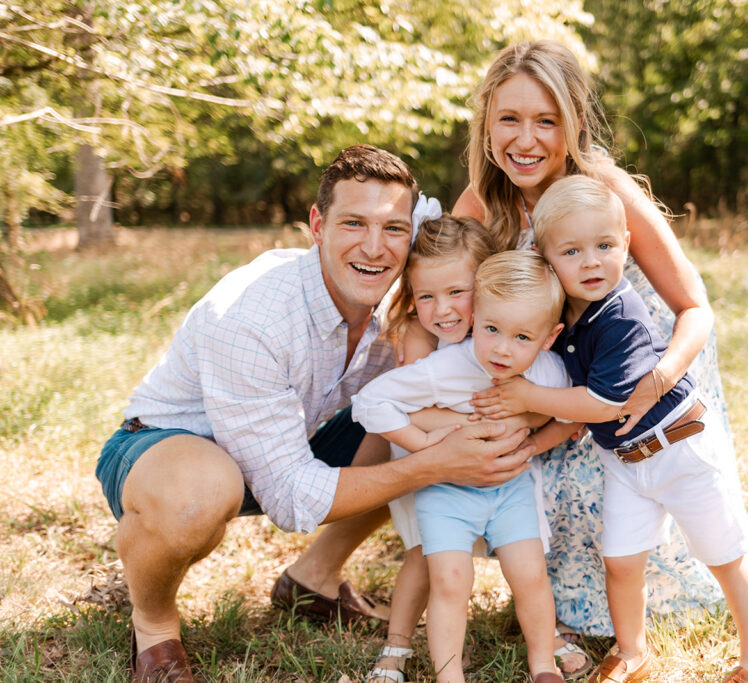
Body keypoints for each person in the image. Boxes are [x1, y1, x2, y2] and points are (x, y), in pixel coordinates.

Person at [94, 145, 533, 683]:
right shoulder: (250, 317)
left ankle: (313, 579)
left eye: (394, 228)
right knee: (201, 494)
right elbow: (289, 497)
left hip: (288, 439)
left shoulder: (409, 295)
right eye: (354, 223)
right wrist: (438, 462)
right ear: (317, 225)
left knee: (398, 426)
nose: (375, 247)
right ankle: (155, 627)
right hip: (167, 448)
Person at [453, 39, 741, 637]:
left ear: (575, 124)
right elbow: (442, 297)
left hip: (643, 376)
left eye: (546, 121)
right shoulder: (484, 202)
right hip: (561, 374)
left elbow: (696, 307)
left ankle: (633, 606)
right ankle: (550, 599)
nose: (525, 139)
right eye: (508, 118)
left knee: (622, 489)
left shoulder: (604, 187)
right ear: (486, 126)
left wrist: (656, 380)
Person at [474, 176, 748, 683]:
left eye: (605, 246)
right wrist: (537, 440)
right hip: (627, 463)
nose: (591, 261)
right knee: (621, 561)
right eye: (572, 251)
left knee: (725, 555)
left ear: (626, 244)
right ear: (547, 260)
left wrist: (528, 397)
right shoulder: (566, 320)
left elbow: (603, 402)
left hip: (681, 451)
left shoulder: (621, 316)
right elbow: (575, 417)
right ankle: (632, 650)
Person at [352, 250, 573, 683]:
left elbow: (571, 417)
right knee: (450, 581)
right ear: (475, 319)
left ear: (549, 337)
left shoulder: (549, 373)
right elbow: (370, 401)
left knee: (530, 574)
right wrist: (427, 444)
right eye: (491, 329)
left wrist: (529, 442)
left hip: (510, 489)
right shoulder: (448, 366)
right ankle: (448, 675)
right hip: (447, 491)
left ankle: (544, 664)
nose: (503, 350)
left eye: (522, 338)